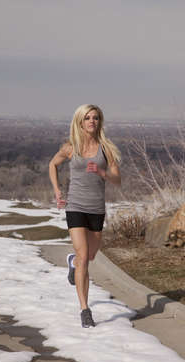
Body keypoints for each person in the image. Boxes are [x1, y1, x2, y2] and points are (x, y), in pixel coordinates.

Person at [49, 104, 121, 328]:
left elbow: (117, 180)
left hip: (96, 209)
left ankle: (72, 263)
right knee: (84, 259)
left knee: (89, 257)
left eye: (95, 118)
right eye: (87, 118)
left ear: (100, 122)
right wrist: (58, 190)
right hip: (75, 206)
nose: (92, 121)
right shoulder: (71, 147)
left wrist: (102, 172)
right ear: (80, 122)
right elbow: (53, 164)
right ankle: (85, 310)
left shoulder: (106, 149)